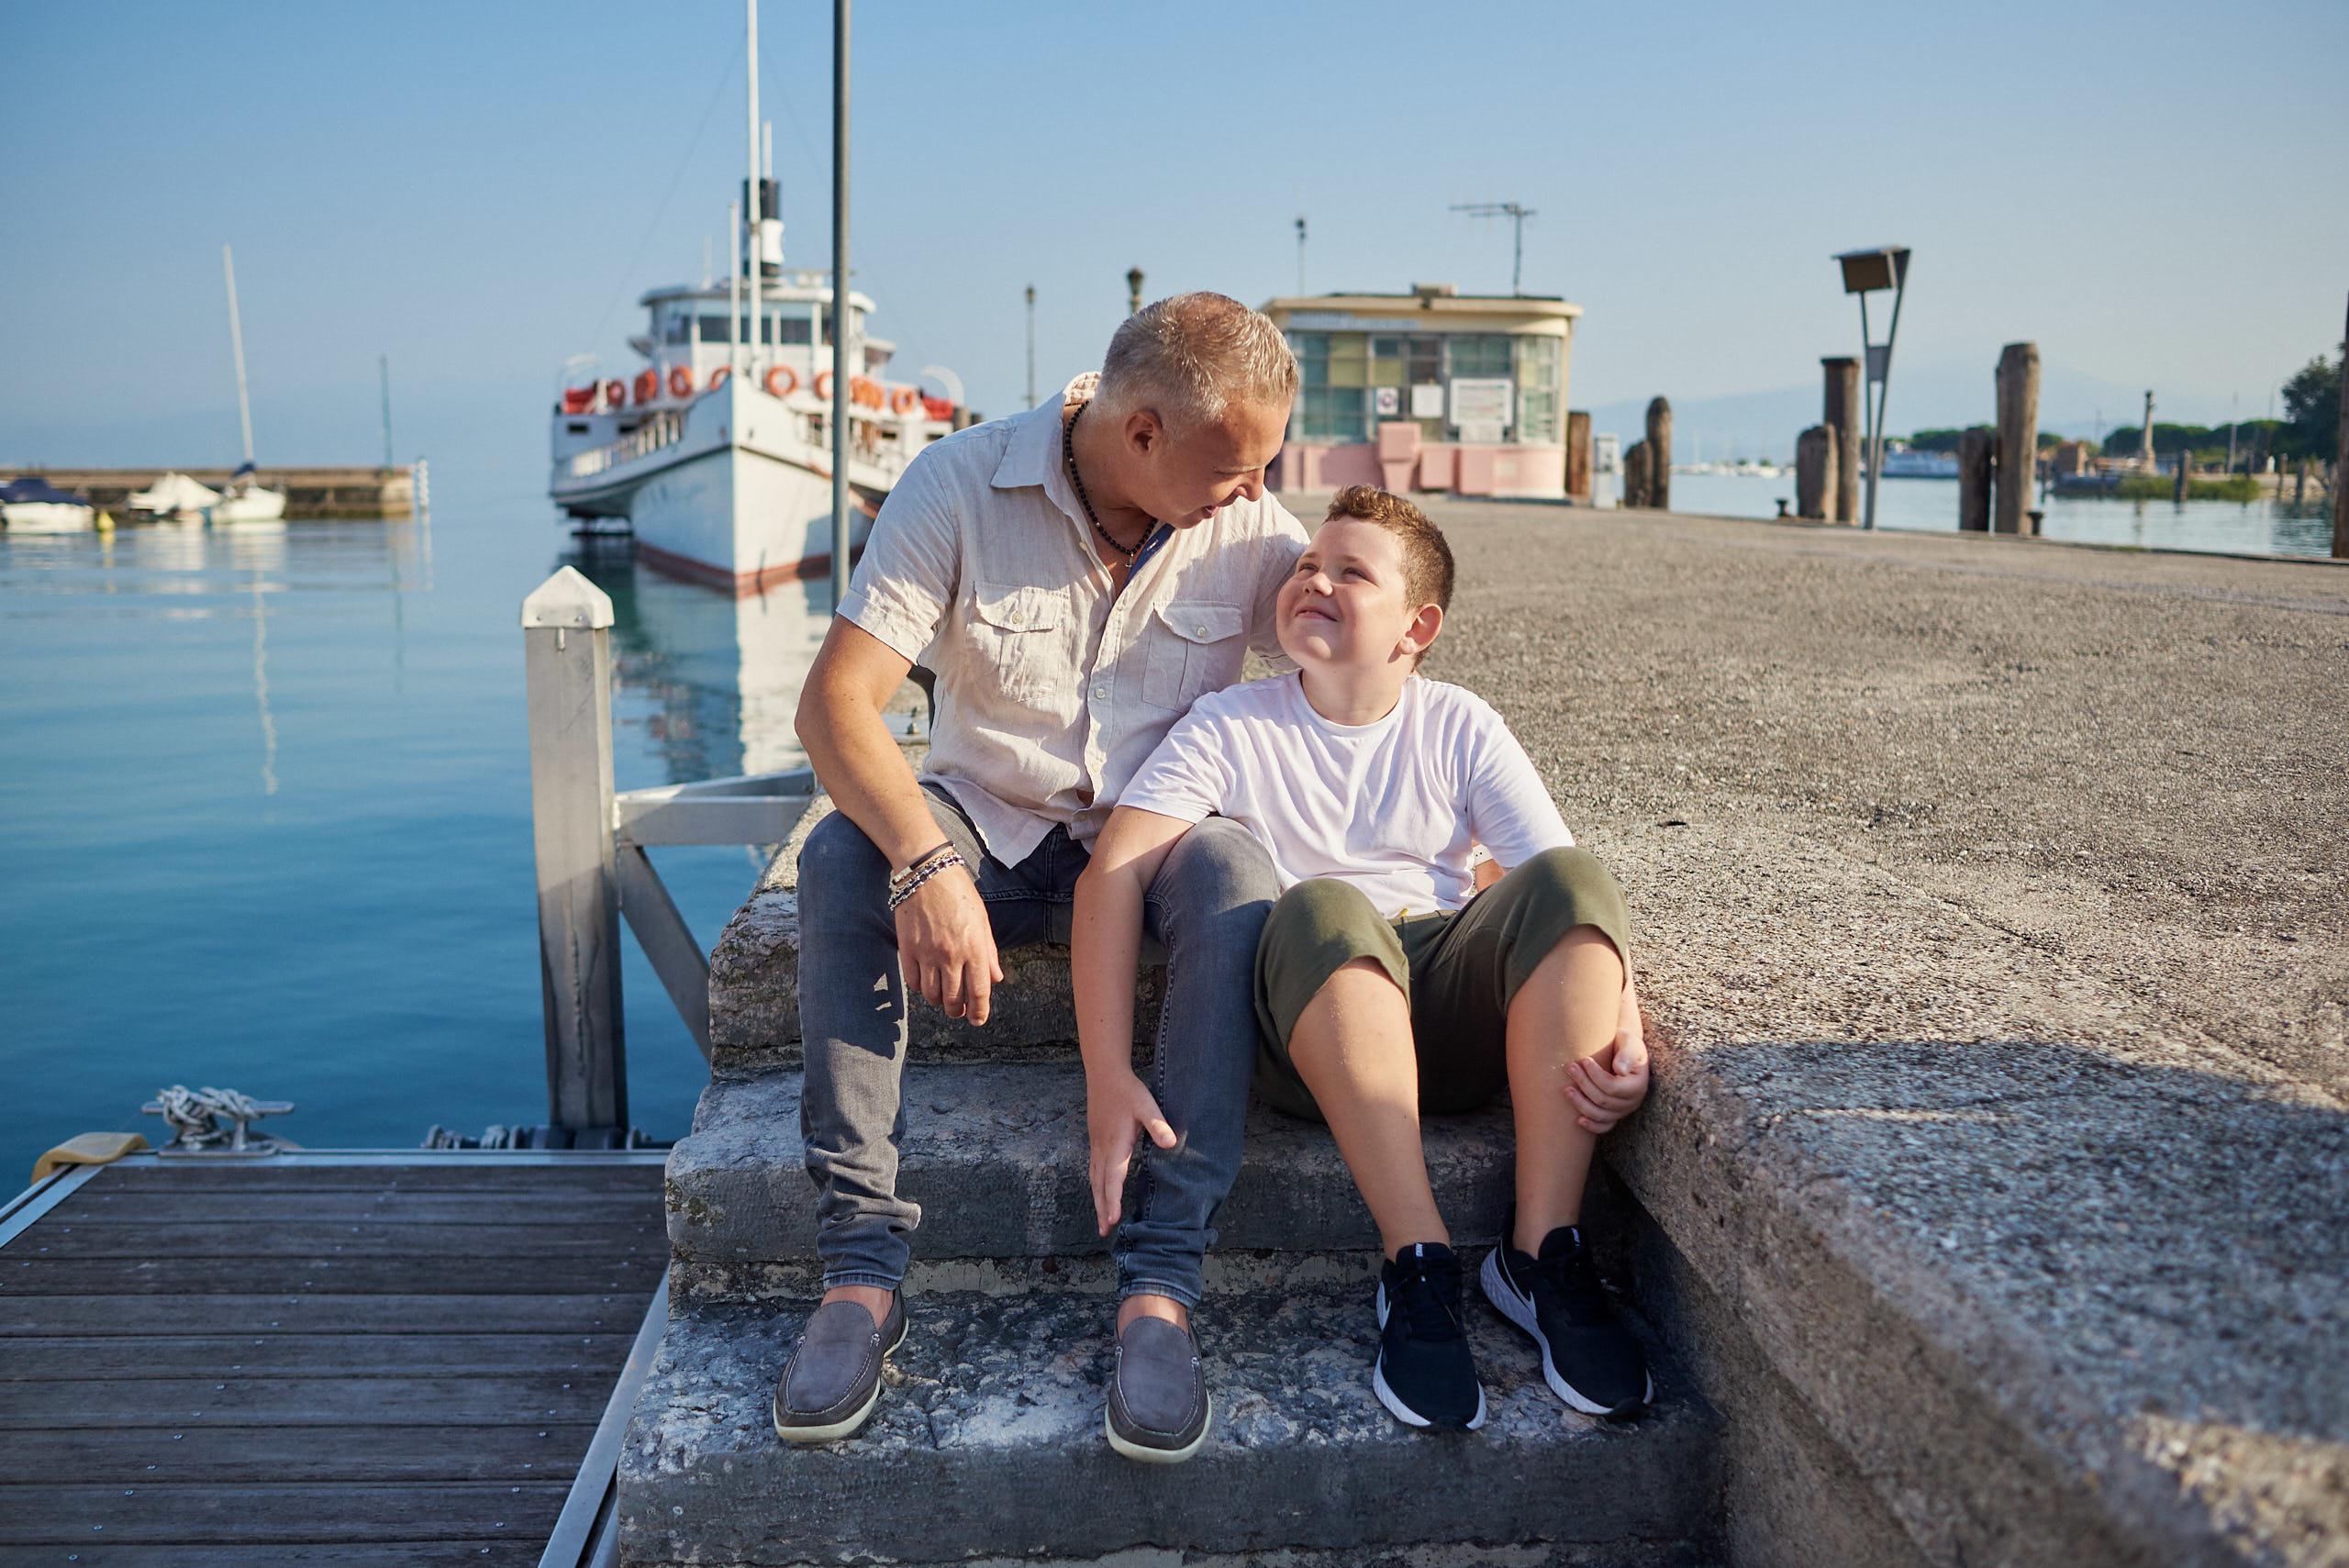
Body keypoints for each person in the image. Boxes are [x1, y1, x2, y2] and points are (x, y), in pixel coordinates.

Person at [775, 293, 1307, 1462]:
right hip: (988, 822)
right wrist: (924, 864)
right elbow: (834, 706)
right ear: (1145, 433)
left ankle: (1159, 1287)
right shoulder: (958, 483)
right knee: (838, 855)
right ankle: (860, 1270)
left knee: (1236, 872)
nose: (1260, 490)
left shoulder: (1252, 525)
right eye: (1242, 462)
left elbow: (1361, 659)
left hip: (1151, 841)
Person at [1072, 485, 1653, 1433]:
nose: (1315, 579)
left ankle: (1540, 1252)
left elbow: (1565, 900)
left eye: (1351, 571)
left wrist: (1620, 1033)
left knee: (1571, 875)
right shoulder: (1231, 722)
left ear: (1415, 625)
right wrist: (1107, 1070)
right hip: (1312, 1020)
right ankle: (1416, 1261)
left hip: (1441, 1017)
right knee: (1327, 904)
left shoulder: (1458, 722)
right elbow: (1113, 874)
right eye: (1307, 564)